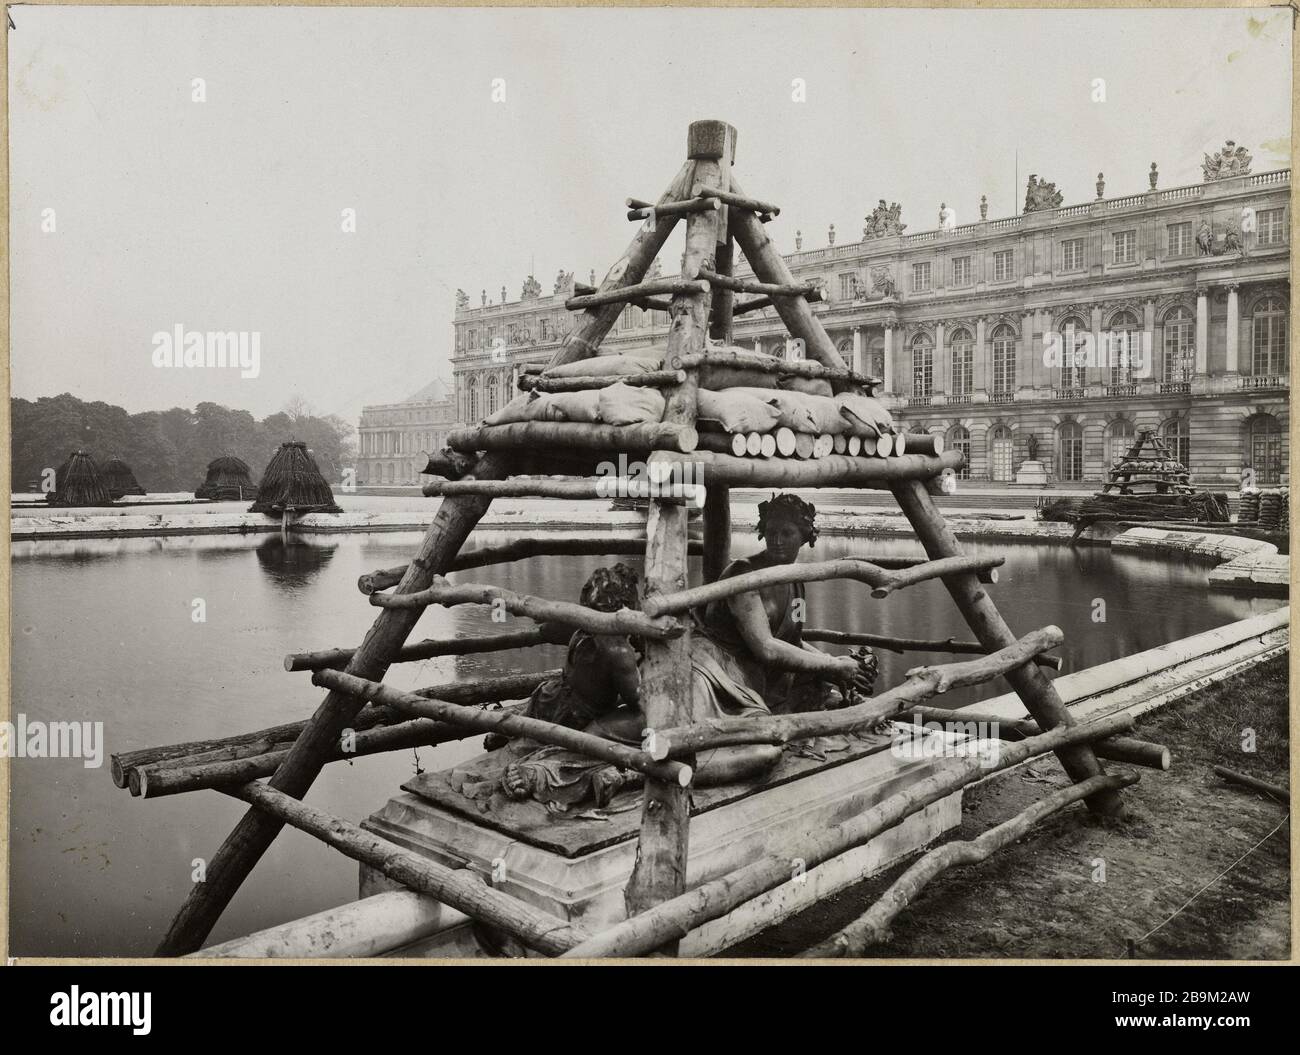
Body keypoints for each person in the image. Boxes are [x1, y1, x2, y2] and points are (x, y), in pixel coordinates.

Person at [495, 495, 876, 811]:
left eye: (787, 533)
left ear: (806, 536)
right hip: (709, 672)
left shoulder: (795, 584)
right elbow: (766, 647)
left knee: (764, 748)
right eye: (771, 532)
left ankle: (631, 772)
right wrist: (831, 665)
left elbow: (792, 641)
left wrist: (834, 665)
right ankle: (564, 765)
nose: (777, 541)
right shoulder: (746, 575)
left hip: (744, 689)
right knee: (658, 724)